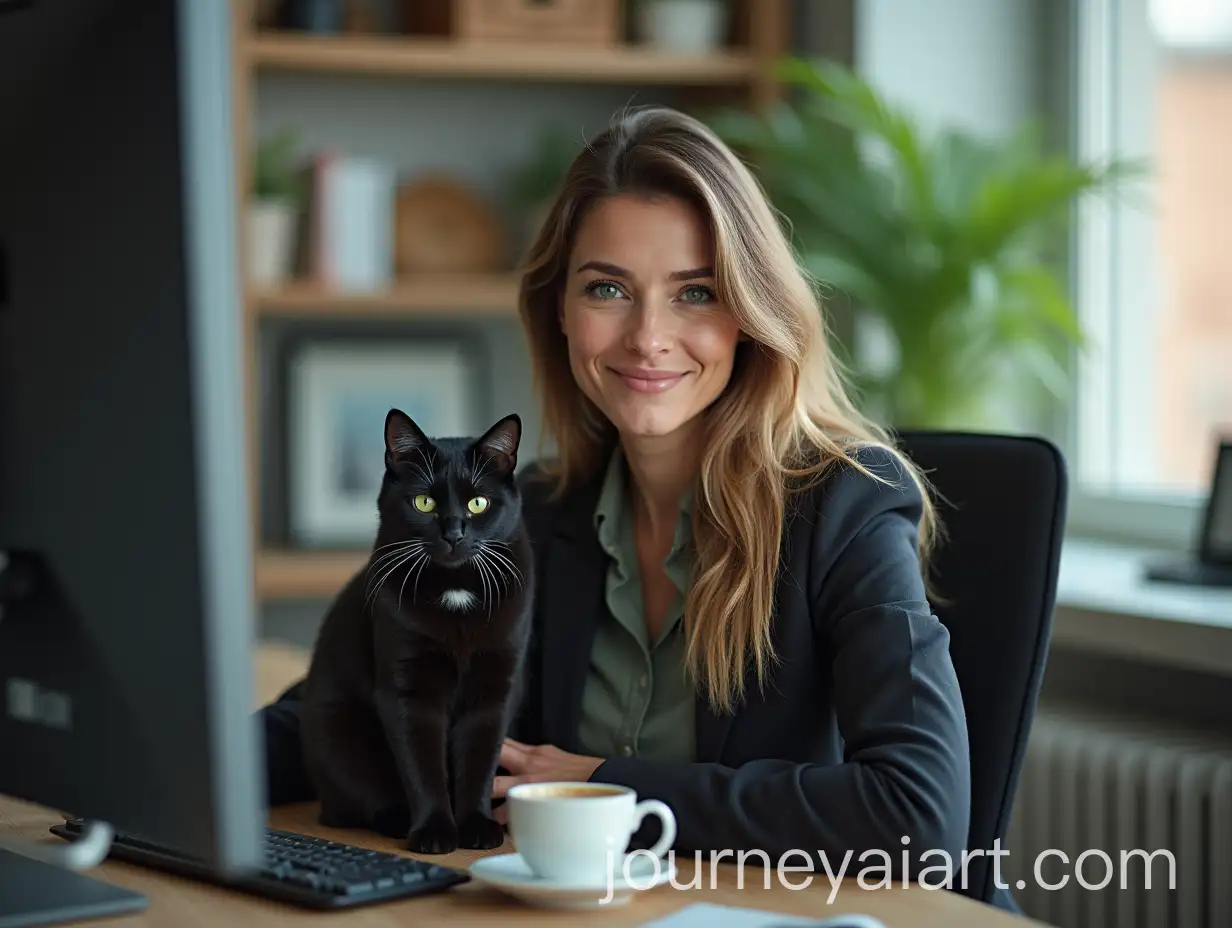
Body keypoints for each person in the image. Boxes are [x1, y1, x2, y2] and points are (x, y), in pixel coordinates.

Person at [261, 105, 972, 896]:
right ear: (558, 309)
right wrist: (137, 768)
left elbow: (918, 817)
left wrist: (611, 785)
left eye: (695, 293)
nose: (647, 337)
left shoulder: (847, 504)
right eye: (608, 288)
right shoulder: (529, 513)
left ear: (750, 314)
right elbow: (336, 703)